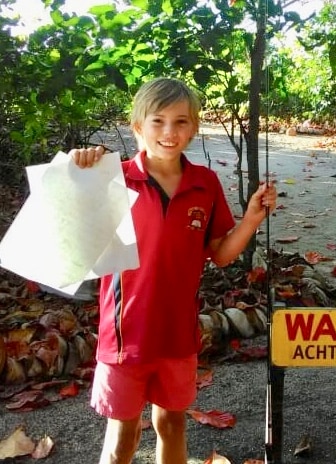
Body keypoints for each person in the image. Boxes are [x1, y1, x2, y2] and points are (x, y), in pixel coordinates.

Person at [69, 77, 277, 464]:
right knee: (122, 439)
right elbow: (69, 218)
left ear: (194, 128)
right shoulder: (112, 177)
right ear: (137, 127)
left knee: (172, 425)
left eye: (181, 121)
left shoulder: (204, 184)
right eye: (158, 121)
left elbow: (221, 254)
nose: (169, 132)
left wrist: (250, 219)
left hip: (178, 336)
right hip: (124, 337)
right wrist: (81, 167)